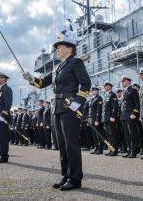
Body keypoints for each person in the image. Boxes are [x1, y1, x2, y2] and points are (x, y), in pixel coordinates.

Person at [22, 30, 91, 191]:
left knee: (71, 144)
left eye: (59, 47)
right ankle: (65, 176)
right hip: (57, 108)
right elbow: (41, 83)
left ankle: (75, 179)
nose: (57, 49)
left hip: (68, 106)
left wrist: (77, 103)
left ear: (69, 48)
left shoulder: (75, 62)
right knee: (61, 144)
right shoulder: (58, 67)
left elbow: (86, 84)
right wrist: (30, 78)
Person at [120, 75, 140, 158]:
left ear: (128, 81)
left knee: (132, 134)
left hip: (130, 116)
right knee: (127, 134)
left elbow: (137, 103)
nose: (122, 82)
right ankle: (129, 150)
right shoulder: (124, 91)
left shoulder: (133, 90)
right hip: (124, 116)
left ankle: (134, 151)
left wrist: (134, 114)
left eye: (123, 81)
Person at [101, 81, 119, 156]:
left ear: (109, 86)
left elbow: (115, 107)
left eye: (106, 86)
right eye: (104, 86)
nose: (104, 87)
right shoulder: (105, 95)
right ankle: (110, 149)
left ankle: (114, 150)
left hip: (110, 118)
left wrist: (113, 116)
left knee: (112, 134)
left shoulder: (113, 95)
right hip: (105, 118)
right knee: (108, 134)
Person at [88, 86, 104, 155]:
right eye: (91, 90)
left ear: (97, 91)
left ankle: (100, 149)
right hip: (91, 120)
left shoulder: (99, 98)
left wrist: (97, 120)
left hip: (96, 120)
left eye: (93, 90)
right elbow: (90, 111)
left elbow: (99, 110)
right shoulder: (92, 99)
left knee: (98, 134)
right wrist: (89, 121)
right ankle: (96, 147)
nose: (92, 92)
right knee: (94, 135)